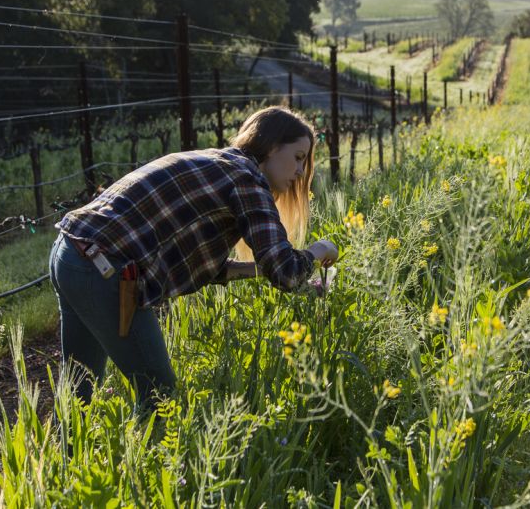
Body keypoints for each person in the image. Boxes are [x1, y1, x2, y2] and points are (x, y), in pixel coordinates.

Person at [49, 106, 339, 405]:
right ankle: (148, 452)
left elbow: (207, 265)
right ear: (272, 146)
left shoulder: (220, 162)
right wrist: (321, 249)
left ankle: (66, 452)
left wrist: (259, 269)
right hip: (105, 269)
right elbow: (287, 273)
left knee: (77, 390)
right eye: (299, 158)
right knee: (160, 397)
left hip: (70, 253)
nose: (301, 172)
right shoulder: (247, 179)